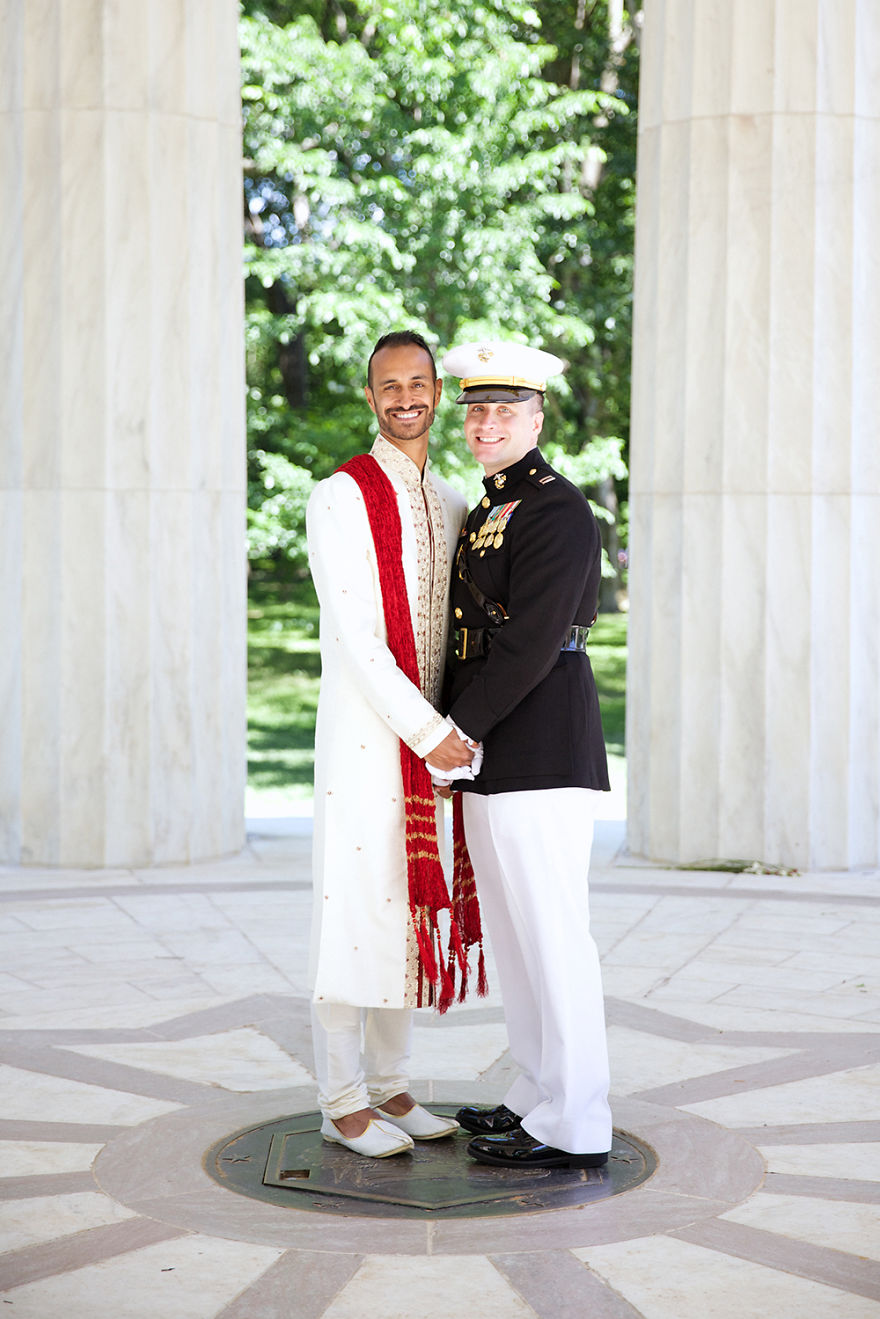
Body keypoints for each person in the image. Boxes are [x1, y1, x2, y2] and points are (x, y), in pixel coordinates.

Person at [306, 330, 481, 1159]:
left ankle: (391, 1084)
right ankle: (341, 1099)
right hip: (367, 742)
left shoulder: (449, 502)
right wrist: (429, 731)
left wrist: (451, 731)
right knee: (354, 908)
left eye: (419, 383)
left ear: (438, 392)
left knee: (409, 911)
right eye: (389, 385)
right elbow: (356, 637)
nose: (405, 397)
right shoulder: (339, 496)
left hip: (429, 744)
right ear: (370, 395)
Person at [440, 340, 613, 1170]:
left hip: (540, 739)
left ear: (536, 418)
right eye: (476, 409)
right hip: (496, 746)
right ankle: (536, 1089)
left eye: (505, 409)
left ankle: (578, 1119)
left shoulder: (556, 507)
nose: (487, 422)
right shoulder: (487, 508)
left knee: (555, 934)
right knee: (515, 935)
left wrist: (459, 728)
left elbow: (535, 639)